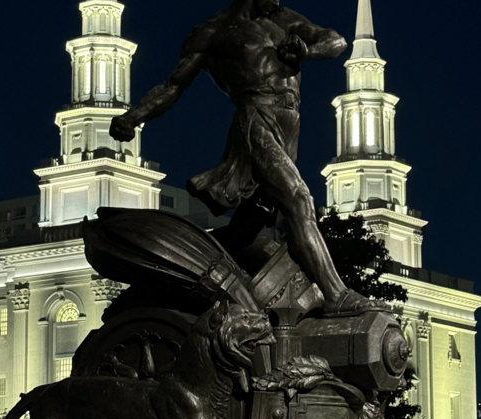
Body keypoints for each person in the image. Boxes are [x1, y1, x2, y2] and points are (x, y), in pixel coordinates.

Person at [110, 0, 387, 315]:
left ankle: (163, 282)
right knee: (298, 200)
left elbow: (336, 41)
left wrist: (308, 52)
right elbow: (173, 86)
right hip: (256, 122)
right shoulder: (212, 32)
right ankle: (338, 296)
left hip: (289, 125)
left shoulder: (284, 20)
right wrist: (133, 117)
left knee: (246, 231)